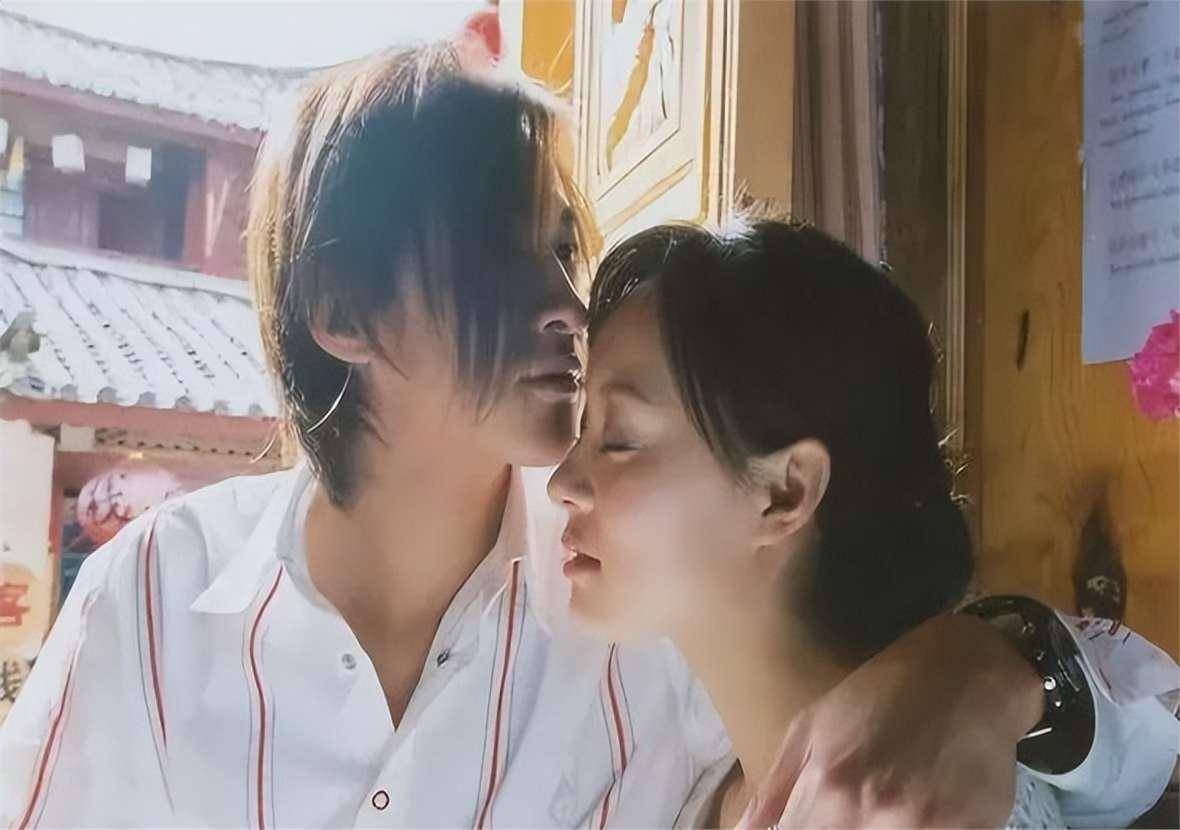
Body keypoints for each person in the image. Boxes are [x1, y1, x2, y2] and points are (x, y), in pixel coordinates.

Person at [0, 41, 1163, 828]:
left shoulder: (649, 591)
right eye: (505, 253)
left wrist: (989, 666)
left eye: (564, 247)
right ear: (343, 309)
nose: (566, 304)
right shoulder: (152, 603)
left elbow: (1131, 712)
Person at [548, 217, 1180, 827]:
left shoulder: (939, 811)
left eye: (618, 438)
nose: (561, 485)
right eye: (582, 432)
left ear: (785, 492)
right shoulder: (694, 795)